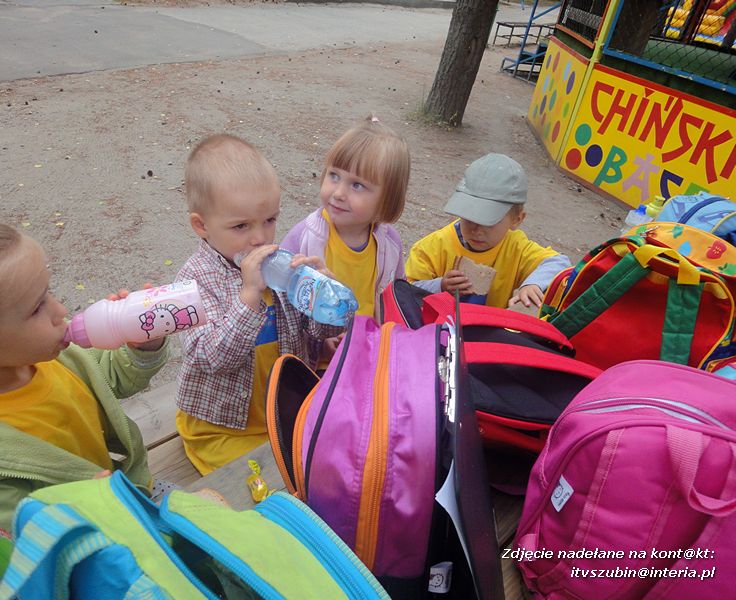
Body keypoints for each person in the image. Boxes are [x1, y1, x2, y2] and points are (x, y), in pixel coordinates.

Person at [0, 216, 169, 531]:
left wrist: (143, 347)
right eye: (36, 308)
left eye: (49, 293)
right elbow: (23, 548)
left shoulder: (46, 359)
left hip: (124, 495)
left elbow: (109, 380)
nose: (60, 311)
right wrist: (90, 511)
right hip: (96, 534)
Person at [175, 134, 339, 476]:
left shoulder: (284, 267)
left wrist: (323, 298)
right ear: (201, 226)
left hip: (282, 408)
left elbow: (320, 334)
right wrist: (248, 296)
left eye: (269, 220)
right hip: (223, 427)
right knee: (269, 481)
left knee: (331, 459)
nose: (260, 238)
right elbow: (211, 358)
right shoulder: (192, 283)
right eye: (241, 226)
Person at [281, 116, 409, 360]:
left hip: (368, 354)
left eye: (357, 185)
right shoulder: (305, 237)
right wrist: (320, 340)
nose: (338, 193)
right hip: (316, 360)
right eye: (334, 175)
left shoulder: (389, 243)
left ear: (386, 201)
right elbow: (282, 306)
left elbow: (395, 298)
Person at [406, 153, 571, 309]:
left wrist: (533, 284)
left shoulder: (517, 247)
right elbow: (404, 290)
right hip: (441, 331)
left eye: (489, 220)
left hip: (491, 333)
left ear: (517, 219)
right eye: (469, 216)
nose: (476, 229)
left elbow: (559, 263)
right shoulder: (433, 247)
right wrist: (439, 285)